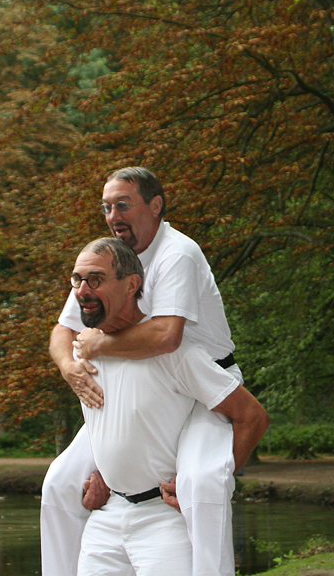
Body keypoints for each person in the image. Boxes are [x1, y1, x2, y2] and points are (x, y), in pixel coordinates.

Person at [42, 167, 250, 576]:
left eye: (122, 205)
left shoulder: (177, 253)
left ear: (155, 206)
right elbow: (65, 330)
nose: (113, 216)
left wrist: (99, 345)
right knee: (59, 484)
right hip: (138, 381)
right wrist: (70, 367)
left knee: (202, 484)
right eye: (106, 207)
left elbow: (168, 336)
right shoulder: (106, 261)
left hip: (206, 388)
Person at [67, 237, 268, 575]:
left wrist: (208, 483)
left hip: (166, 521)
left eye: (96, 280)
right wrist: (101, 476)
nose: (83, 291)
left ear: (131, 284)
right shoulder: (83, 352)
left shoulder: (175, 354)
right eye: (77, 279)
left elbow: (252, 417)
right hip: (105, 519)